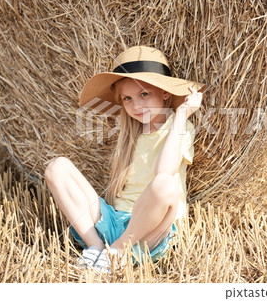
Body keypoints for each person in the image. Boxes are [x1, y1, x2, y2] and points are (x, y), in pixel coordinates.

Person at [44, 46, 206, 273]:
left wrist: (181, 114)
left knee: (164, 183)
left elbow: (164, 171)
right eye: (127, 99)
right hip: (114, 221)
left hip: (149, 233)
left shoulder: (180, 128)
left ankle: (118, 251)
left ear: (165, 92)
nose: (136, 105)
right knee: (56, 167)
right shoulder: (130, 133)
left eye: (144, 94)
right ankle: (96, 246)